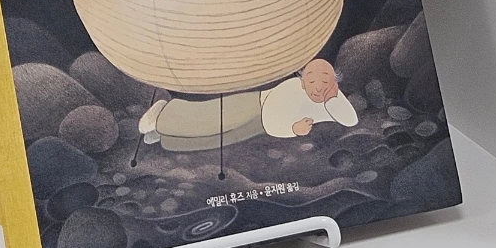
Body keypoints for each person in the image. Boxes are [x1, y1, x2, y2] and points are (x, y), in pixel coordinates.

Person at [139, 57, 358, 151]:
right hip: (254, 106)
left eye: (324, 81)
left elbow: (350, 120)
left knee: (214, 141)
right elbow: (275, 120)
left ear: (334, 82)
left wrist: (333, 97)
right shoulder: (293, 87)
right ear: (302, 81)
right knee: (209, 119)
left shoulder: (332, 98)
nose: (317, 87)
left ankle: (165, 136)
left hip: (260, 125)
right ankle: (164, 114)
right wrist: (293, 129)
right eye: (311, 81)